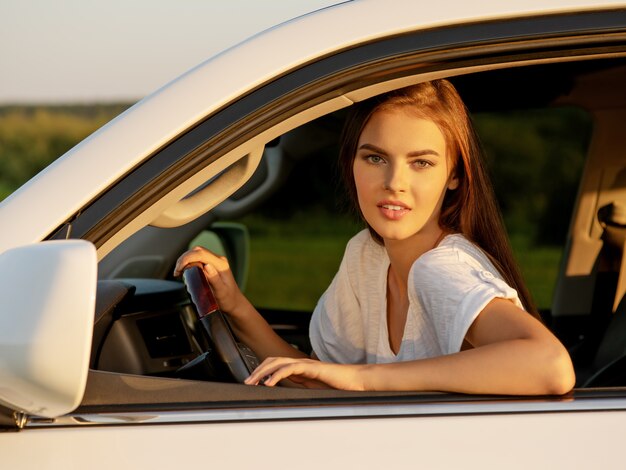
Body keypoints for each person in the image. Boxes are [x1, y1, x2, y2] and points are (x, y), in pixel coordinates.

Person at [174, 79, 575, 395]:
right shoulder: (366, 256)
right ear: (352, 163)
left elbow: (551, 365)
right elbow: (315, 378)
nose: (394, 182)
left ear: (455, 175)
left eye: (421, 163)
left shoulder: (442, 268)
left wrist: (366, 378)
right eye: (375, 158)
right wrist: (236, 306)